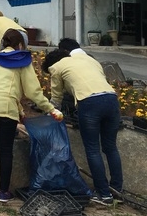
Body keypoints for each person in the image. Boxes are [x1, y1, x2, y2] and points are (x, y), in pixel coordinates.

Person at [0, 29, 62, 202]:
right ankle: (3, 192)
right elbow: (32, 91)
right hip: (5, 108)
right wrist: (51, 109)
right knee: (5, 151)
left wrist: (19, 111)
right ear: (20, 44)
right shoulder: (23, 60)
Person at [42, 44, 123, 206]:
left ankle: (103, 195)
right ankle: (116, 189)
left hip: (89, 102)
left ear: (51, 65)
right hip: (111, 100)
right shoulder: (89, 60)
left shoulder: (56, 67)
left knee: (93, 149)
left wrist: (48, 115)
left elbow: (56, 100)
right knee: (110, 147)